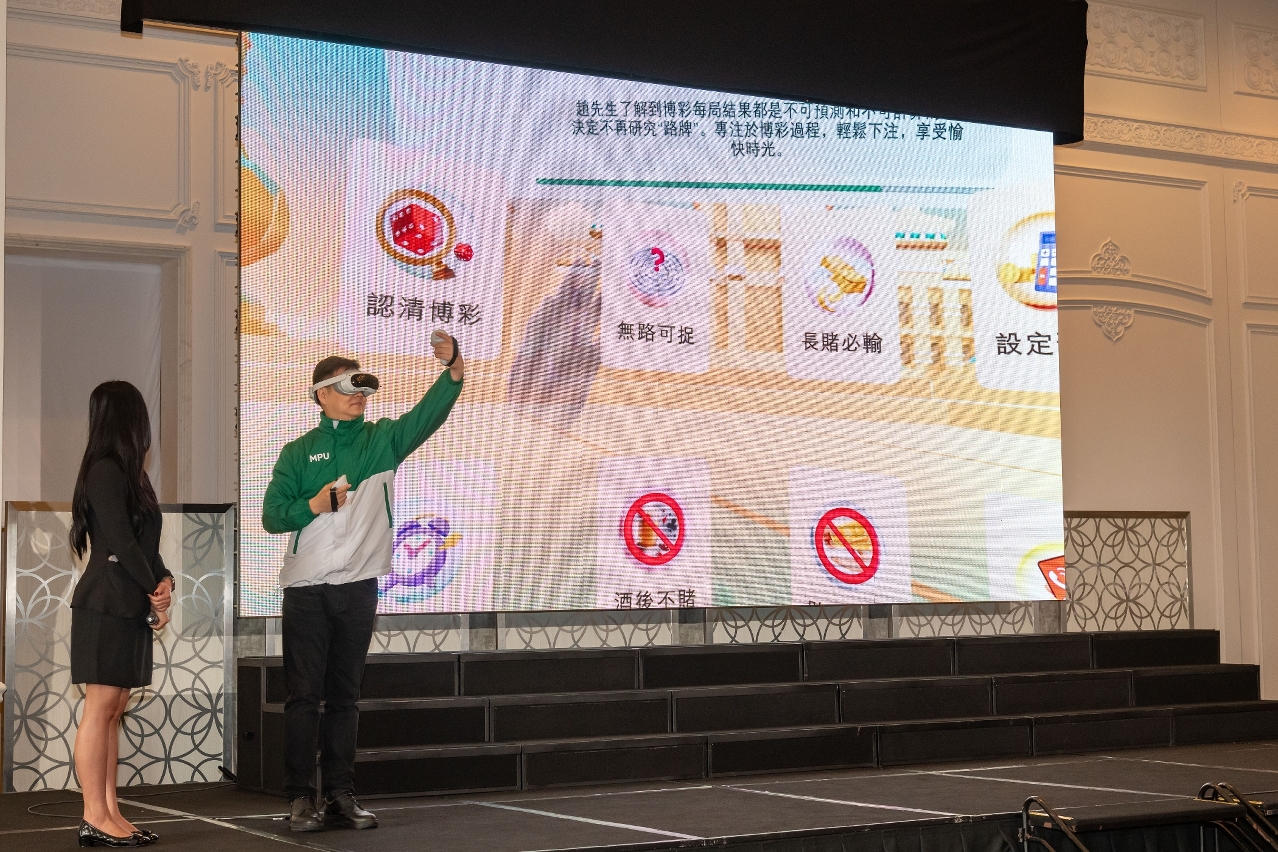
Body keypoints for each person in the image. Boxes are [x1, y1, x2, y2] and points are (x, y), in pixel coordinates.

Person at [262, 331, 464, 831]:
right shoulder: (298, 452)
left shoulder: (382, 439)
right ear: (321, 394)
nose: (358, 394)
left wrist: (454, 369)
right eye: (346, 386)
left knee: (345, 697)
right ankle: (299, 798)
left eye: (362, 387)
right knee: (304, 697)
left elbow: (429, 414)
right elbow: (271, 515)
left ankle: (340, 794)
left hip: (360, 586)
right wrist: (312, 505)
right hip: (307, 588)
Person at [69, 381, 174, 848]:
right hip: (106, 604)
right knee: (100, 708)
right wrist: (152, 588)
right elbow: (120, 541)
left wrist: (165, 580)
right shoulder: (104, 470)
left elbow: (145, 546)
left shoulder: (133, 476)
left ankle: (110, 812)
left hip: (127, 605)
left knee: (114, 711)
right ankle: (94, 815)